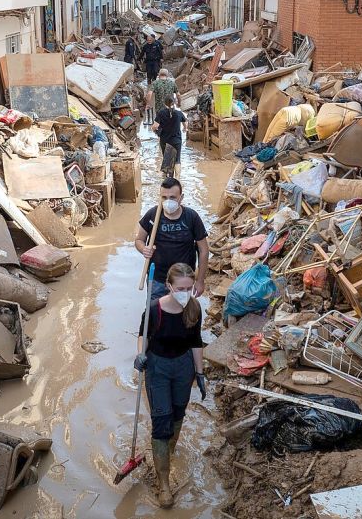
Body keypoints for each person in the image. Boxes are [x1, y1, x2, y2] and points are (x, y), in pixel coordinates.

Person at [134, 263, 207, 508]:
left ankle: (168, 451)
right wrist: (140, 355)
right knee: (162, 421)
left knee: (178, 414)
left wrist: (200, 373)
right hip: (158, 369)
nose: (185, 292)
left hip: (183, 367)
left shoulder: (194, 308)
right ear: (169, 286)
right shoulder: (155, 309)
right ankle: (163, 483)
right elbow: (143, 334)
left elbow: (196, 341)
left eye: (189, 287)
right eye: (180, 288)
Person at [135, 177, 209, 298]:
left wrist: (200, 281)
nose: (168, 201)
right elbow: (139, 240)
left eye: (173, 197)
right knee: (155, 312)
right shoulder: (152, 215)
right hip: (157, 279)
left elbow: (203, 250)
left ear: (181, 197)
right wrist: (144, 249)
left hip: (183, 281)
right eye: (164, 197)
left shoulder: (191, 217)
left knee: (181, 313)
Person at [152, 96, 188, 178]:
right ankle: (178, 179)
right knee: (177, 160)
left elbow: (155, 126)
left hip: (165, 140)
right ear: (174, 102)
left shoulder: (161, 113)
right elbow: (185, 122)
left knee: (167, 158)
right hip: (177, 140)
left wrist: (154, 130)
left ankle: (168, 177)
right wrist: (185, 129)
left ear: (165, 104)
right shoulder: (179, 113)